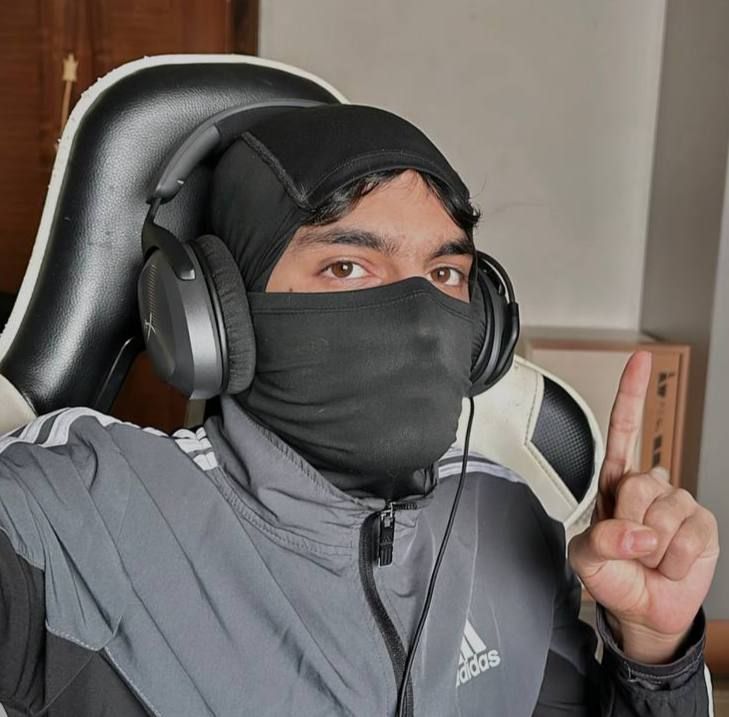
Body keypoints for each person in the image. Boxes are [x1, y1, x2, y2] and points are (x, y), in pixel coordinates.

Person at [0, 104, 719, 717]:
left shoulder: (503, 514)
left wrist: (653, 655)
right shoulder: (84, 511)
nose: (419, 319)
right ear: (219, 317)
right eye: (347, 266)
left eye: (444, 273)